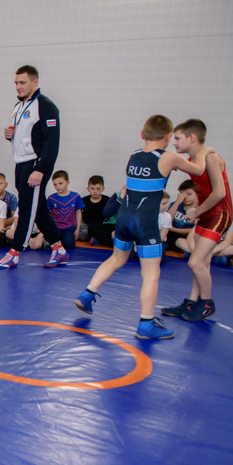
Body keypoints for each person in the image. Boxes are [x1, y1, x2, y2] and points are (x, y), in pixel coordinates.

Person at [74, 115, 208, 339]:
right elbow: (199, 169)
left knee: (116, 259)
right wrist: (203, 151)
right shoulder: (169, 157)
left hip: (124, 219)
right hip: (145, 224)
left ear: (142, 134)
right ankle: (146, 325)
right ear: (168, 137)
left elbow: (148, 172)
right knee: (151, 274)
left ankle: (87, 294)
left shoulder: (134, 155)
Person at [0, 65, 68, 269]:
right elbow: (27, 136)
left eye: (22, 82)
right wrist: (9, 136)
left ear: (35, 82)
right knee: (38, 207)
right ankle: (58, 248)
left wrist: (41, 169)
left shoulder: (46, 106)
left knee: (26, 208)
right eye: (16, 83)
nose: (18, 86)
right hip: (21, 163)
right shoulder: (18, 106)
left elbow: (52, 143)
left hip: (35, 165)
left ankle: (14, 252)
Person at [160, 119, 233, 322]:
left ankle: (207, 302)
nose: (174, 143)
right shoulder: (195, 160)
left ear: (191, 138)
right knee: (203, 261)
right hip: (207, 214)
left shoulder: (209, 157)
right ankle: (192, 302)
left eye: (177, 138)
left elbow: (219, 192)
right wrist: (200, 211)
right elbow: (203, 189)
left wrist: (196, 210)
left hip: (219, 214)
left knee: (195, 261)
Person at [46, 170, 83, 250]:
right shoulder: (51, 198)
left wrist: (77, 229)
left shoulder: (75, 196)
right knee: (49, 245)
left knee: (69, 244)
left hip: (68, 228)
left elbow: (78, 212)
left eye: (60, 183)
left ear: (68, 182)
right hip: (55, 228)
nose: (58, 186)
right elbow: (48, 215)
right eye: (55, 184)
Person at [164, 180, 196, 252]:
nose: (185, 197)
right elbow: (167, 220)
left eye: (189, 194)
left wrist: (173, 229)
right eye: (182, 194)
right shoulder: (175, 204)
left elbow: (192, 230)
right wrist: (177, 202)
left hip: (187, 236)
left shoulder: (197, 210)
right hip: (171, 234)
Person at [79, 175, 109, 243]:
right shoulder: (83, 200)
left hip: (100, 226)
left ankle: (96, 237)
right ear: (88, 189)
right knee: (83, 235)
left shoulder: (107, 200)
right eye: (92, 188)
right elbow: (78, 214)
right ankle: (97, 238)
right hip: (86, 226)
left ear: (103, 189)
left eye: (98, 189)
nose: (95, 191)